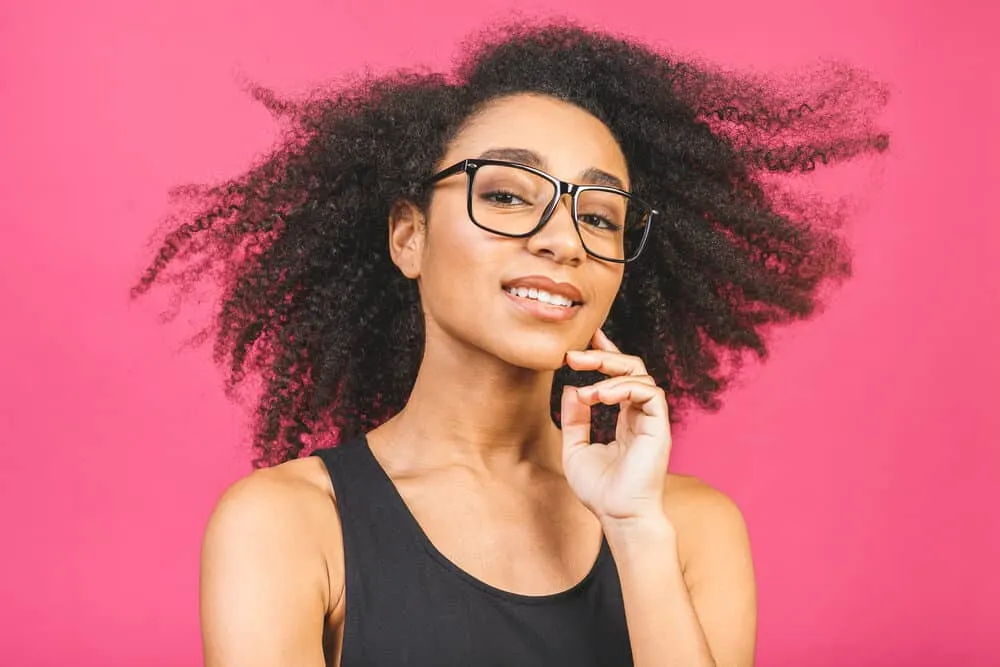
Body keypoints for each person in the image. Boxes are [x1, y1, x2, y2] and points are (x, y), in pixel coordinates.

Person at [134, 20, 888, 667]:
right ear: (409, 237)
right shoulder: (288, 523)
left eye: (600, 217)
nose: (563, 240)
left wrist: (634, 531)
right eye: (503, 194)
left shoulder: (685, 527)